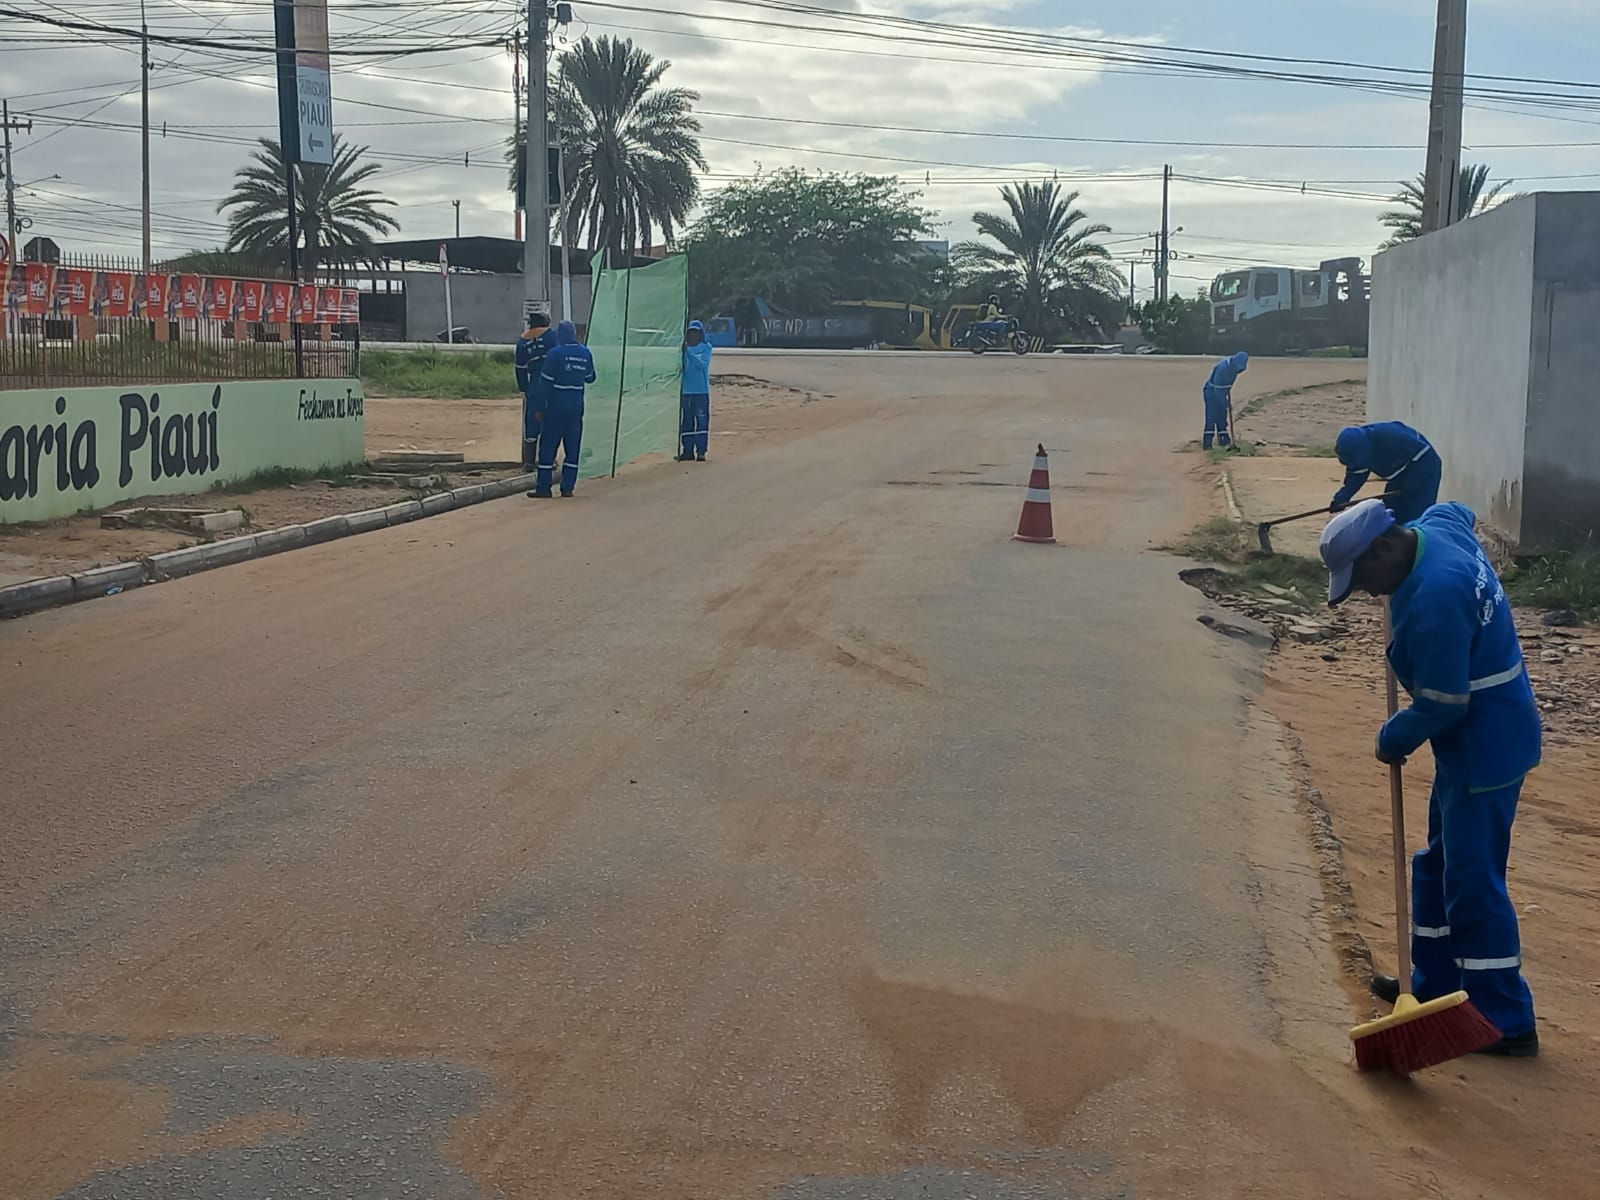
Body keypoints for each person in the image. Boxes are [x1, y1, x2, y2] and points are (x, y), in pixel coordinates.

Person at [1320, 498, 1541, 1057]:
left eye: (1365, 579)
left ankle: (1505, 1019)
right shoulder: (1431, 530)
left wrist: (1392, 737)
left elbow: (1444, 703)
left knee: (1473, 885)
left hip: (1485, 749)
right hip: (1475, 744)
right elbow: (1456, 509)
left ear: (1385, 548)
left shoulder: (1437, 597)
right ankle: (1435, 986)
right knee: (1437, 865)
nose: (1369, 594)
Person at [528, 320, 595, 499]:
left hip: (555, 408)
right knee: (573, 448)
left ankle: (544, 488)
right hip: (576, 408)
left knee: (548, 448)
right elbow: (590, 377)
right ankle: (567, 488)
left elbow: (544, 384)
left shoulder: (555, 354)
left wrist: (538, 408)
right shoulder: (585, 353)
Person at [1331, 421, 1441, 524]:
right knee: (1391, 513)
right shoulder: (1358, 450)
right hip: (1399, 474)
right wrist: (1341, 499)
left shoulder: (1390, 435)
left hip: (1426, 469)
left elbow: (1424, 452)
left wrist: (1415, 480)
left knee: (1418, 516)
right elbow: (1356, 477)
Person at [515, 311, 557, 470]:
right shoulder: (552, 336)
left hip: (533, 385)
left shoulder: (522, 341)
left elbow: (520, 368)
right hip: (552, 385)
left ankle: (529, 461)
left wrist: (524, 388)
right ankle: (549, 460)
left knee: (531, 423)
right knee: (550, 422)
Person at [679, 319, 713, 462]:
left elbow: (702, 365)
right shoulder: (682, 349)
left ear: (700, 334)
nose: (693, 335)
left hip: (701, 391)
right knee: (686, 422)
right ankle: (687, 451)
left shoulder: (706, 348)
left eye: (696, 332)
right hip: (686, 392)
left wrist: (689, 353)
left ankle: (701, 451)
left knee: (701, 421)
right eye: (690, 332)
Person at [1202, 351, 1249, 449]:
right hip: (1211, 392)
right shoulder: (1223, 369)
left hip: (1221, 392)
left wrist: (1225, 403)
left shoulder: (1234, 369)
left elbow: (1226, 387)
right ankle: (1207, 444)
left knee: (1222, 417)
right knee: (1212, 417)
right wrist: (1226, 404)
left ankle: (1224, 441)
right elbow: (1217, 391)